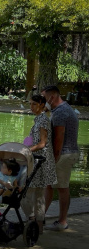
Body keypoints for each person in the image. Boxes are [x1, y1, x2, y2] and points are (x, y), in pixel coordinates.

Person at [42, 86, 79, 231]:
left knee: (62, 188)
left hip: (63, 154)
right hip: (66, 152)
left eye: (44, 99)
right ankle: (40, 216)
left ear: (52, 97)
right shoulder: (61, 109)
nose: (43, 102)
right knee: (49, 185)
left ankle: (62, 221)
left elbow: (59, 137)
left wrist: (54, 157)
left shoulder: (60, 112)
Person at [21, 95, 57, 234]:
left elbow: (42, 143)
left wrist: (26, 150)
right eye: (30, 104)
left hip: (41, 161)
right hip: (40, 159)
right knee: (39, 195)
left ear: (42, 104)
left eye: (34, 104)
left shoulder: (42, 120)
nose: (32, 107)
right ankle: (38, 226)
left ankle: (31, 219)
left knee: (27, 193)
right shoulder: (41, 119)